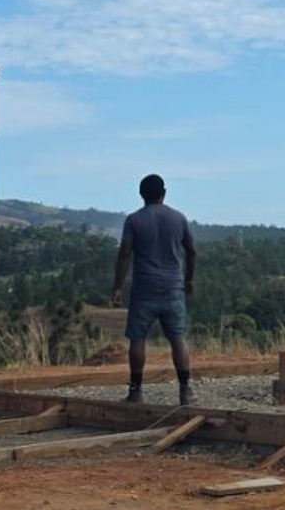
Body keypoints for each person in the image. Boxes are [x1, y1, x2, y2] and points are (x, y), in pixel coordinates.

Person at [112, 173, 197, 405]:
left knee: (138, 339)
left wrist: (117, 287)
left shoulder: (134, 220)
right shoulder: (179, 218)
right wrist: (189, 280)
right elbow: (191, 251)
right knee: (177, 338)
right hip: (173, 288)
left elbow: (125, 253)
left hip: (144, 289)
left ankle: (136, 391)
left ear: (141, 194)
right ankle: (185, 390)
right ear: (164, 193)